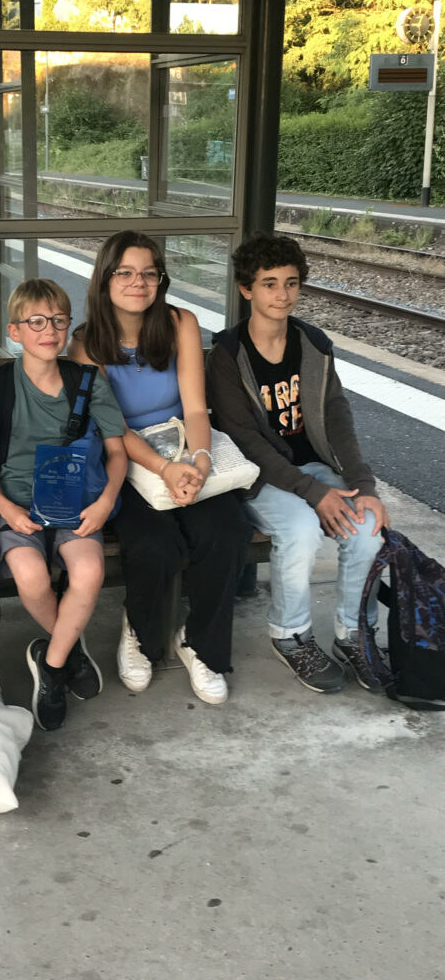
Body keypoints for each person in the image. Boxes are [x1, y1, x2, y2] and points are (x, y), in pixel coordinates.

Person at [69, 231, 251, 704]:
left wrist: (199, 461)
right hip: (126, 457)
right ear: (105, 279)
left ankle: (200, 643)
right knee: (154, 542)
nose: (139, 282)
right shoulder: (87, 343)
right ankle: (141, 632)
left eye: (149, 273)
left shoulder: (179, 323)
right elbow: (112, 425)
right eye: (126, 272)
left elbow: (195, 408)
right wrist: (162, 469)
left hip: (185, 447)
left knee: (226, 531)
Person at [206, 232, 389, 693]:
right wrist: (314, 493)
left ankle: (355, 634)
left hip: (315, 469)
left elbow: (337, 416)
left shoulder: (313, 344)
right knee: (301, 531)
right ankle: (291, 636)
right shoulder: (228, 355)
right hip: (260, 477)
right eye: (269, 284)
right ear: (247, 289)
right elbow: (247, 442)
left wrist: (364, 486)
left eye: (291, 283)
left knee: (367, 526)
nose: (282, 294)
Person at [0, 279, 127, 731]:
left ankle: (52, 666)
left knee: (89, 571)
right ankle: (70, 646)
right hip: (17, 504)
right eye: (36, 322)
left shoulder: (87, 382)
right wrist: (6, 510)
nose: (49, 331)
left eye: (59, 321)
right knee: (31, 576)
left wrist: (105, 502)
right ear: (15, 331)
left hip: (76, 502)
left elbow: (117, 453)